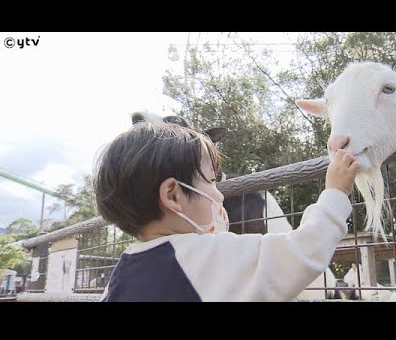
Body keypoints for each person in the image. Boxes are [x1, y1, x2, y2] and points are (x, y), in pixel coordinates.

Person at [94, 122, 359, 302]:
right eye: (211, 180)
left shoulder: (121, 273)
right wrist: (335, 194)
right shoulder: (203, 255)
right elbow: (301, 253)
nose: (219, 194)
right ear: (173, 195)